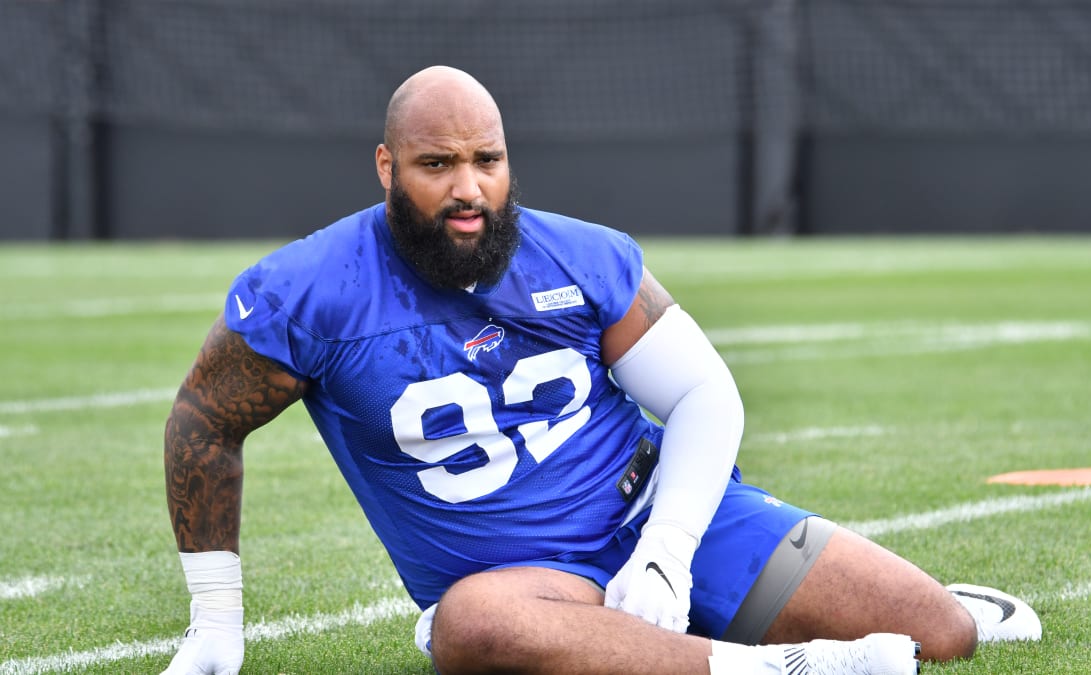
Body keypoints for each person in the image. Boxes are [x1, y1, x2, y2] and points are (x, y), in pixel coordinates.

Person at [160, 65, 1040, 675]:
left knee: (944, 636)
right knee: (470, 629)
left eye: (487, 161)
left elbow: (703, 393)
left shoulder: (580, 257)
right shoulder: (307, 292)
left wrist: (665, 553)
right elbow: (205, 420)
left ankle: (701, 627)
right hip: (527, 586)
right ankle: (789, 665)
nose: (469, 189)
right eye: (437, 165)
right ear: (388, 167)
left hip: (653, 515)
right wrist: (216, 614)